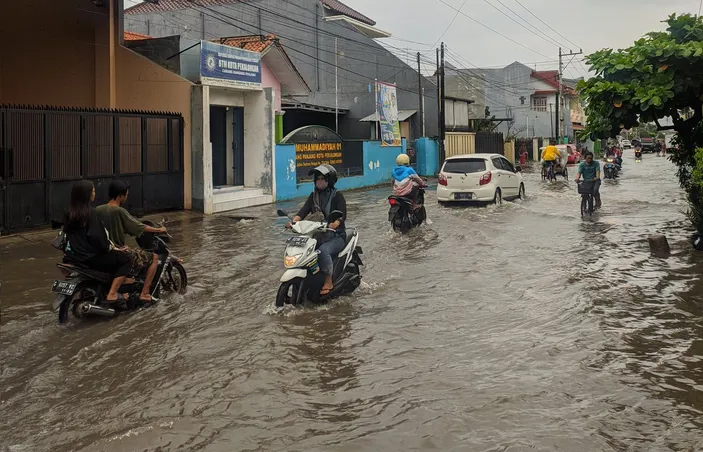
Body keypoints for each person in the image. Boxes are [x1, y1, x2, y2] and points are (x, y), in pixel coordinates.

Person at [63, 180, 132, 304]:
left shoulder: (70, 213)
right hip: (91, 258)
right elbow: (98, 239)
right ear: (87, 194)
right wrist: (111, 248)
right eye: (93, 191)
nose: (95, 193)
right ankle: (112, 294)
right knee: (126, 259)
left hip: (74, 256)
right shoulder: (91, 213)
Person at [96, 180, 165, 303]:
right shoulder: (119, 211)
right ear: (120, 195)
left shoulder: (98, 210)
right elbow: (138, 226)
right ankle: (145, 293)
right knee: (153, 258)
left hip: (103, 251)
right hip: (118, 251)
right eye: (126, 195)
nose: (127, 197)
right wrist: (159, 229)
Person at [286, 165, 347, 296]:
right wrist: (293, 222)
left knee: (323, 251)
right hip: (318, 234)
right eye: (317, 179)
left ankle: (328, 280)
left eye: (322, 179)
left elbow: (342, 214)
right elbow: (303, 211)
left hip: (336, 236)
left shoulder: (337, 195)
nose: (319, 181)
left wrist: (336, 223)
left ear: (329, 180)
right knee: (303, 249)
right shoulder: (313, 195)